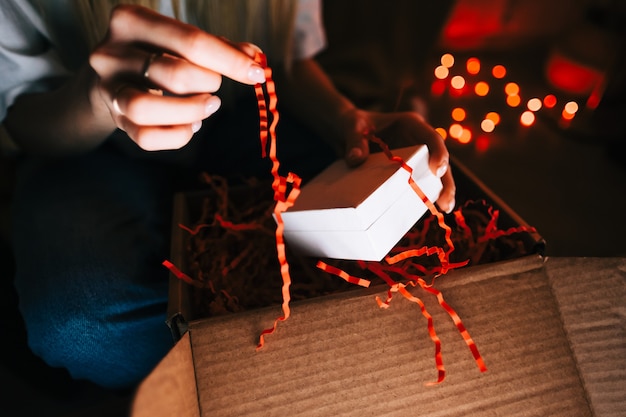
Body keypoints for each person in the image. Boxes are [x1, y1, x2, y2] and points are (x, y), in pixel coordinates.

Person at [0, 0, 456, 391]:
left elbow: (285, 55)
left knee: (378, 239)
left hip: (240, 114)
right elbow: (21, 116)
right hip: (83, 142)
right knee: (85, 327)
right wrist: (97, 97)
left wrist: (345, 117)